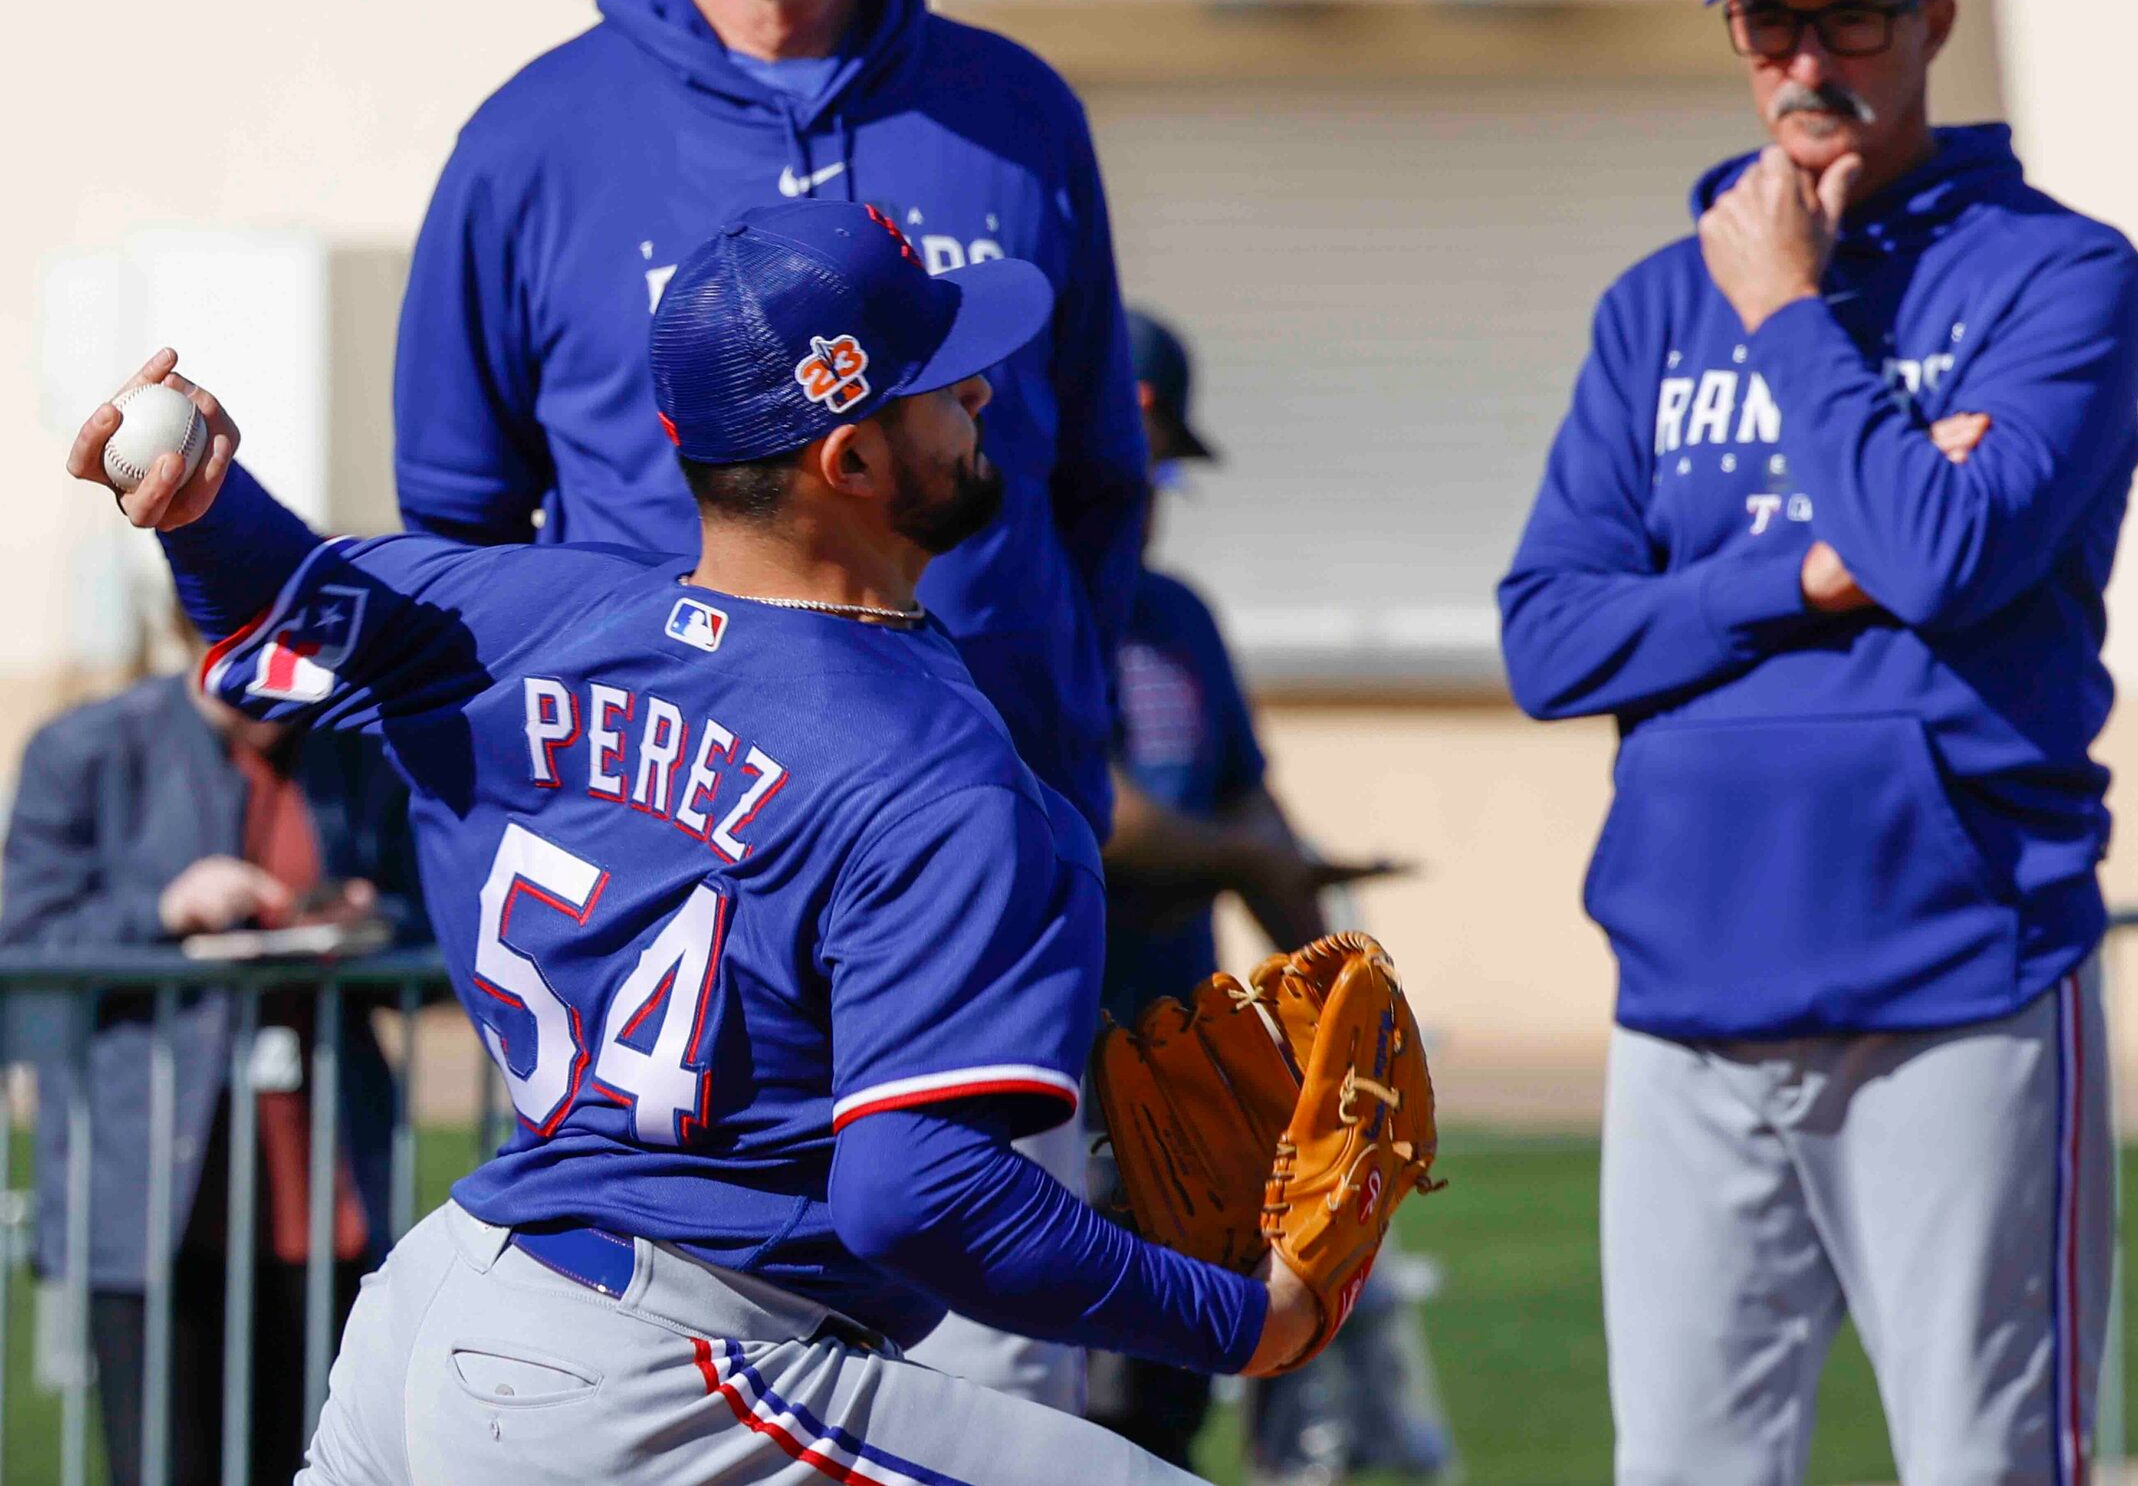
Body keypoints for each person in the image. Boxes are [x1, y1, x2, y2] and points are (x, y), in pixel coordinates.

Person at [71, 202, 1315, 1485]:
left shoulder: (534, 613)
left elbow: (270, 614)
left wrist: (200, 503)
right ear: (851, 461)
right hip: (663, 1372)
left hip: (437, 1300)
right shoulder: (945, 780)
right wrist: (1243, 1320)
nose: (982, 393)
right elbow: (917, 1194)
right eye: (942, 384)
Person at [391, 0, 1144, 1400]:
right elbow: (453, 564)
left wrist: (1057, 749)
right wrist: (504, 911)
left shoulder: (1014, 115)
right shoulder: (535, 140)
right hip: (670, 959)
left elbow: (1093, 481)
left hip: (955, 932)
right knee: (657, 1422)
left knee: (976, 1409)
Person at [1499, 0, 2138, 1484]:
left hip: (1953, 976)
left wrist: (1790, 310)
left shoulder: (2054, 274)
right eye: (1766, 20)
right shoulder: (1657, 301)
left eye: (1849, 19)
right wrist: (1793, 571)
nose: (1805, 62)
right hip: (1685, 986)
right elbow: (1546, 631)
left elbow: (1938, 552)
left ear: (1932, 19)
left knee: (1981, 1462)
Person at [1092, 309, 1420, 1480]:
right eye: (1128, 463)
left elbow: (1255, 817)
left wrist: (1347, 1044)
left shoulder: (1177, 618)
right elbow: (1109, 826)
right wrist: (1244, 859)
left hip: (1181, 1088)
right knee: (1068, 1419)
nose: (1144, 496)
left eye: (1159, 470)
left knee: (1165, 1419)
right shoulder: (1012, 614)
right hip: (1053, 1092)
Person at [0, 648, 419, 1486]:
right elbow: (24, 940)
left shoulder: (357, 750)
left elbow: (442, 918)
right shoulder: (87, 746)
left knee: (315, 1465)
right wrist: (164, 911)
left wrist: (374, 921)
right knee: (166, 1464)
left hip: (323, 1188)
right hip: (150, 1200)